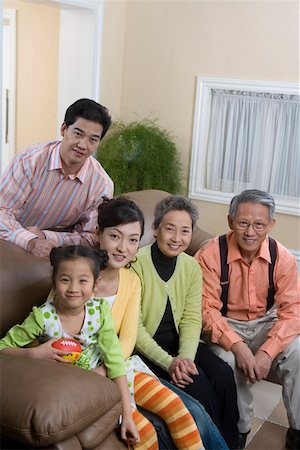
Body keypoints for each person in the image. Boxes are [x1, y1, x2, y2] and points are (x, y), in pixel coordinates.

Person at [0, 245, 139, 447]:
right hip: (67, 388)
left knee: (144, 426)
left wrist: (127, 415)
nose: (74, 288)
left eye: (83, 281)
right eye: (65, 280)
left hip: (101, 378)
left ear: (95, 284)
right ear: (54, 283)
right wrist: (36, 353)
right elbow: (3, 347)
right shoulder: (42, 317)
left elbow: (115, 360)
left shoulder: (99, 312)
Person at [94, 196, 204, 450]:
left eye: (133, 240)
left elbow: (129, 335)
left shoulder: (130, 281)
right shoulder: (81, 275)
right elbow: (54, 328)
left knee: (179, 407)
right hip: (94, 371)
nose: (123, 247)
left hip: (121, 366)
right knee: (144, 432)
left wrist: (111, 368)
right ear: (98, 233)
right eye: (115, 237)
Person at [131, 195, 240, 449]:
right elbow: (135, 330)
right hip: (148, 350)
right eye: (169, 229)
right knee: (198, 383)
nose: (177, 237)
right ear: (156, 229)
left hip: (182, 344)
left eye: (185, 231)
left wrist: (186, 358)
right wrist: (171, 364)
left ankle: (232, 443)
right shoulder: (137, 263)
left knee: (223, 374)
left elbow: (192, 319)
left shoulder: (191, 266)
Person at [195, 189, 300, 450]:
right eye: (243, 223)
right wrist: (238, 346)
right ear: (231, 221)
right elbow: (205, 310)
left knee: (298, 353)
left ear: (271, 225)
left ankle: (298, 430)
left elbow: (293, 310)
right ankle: (239, 429)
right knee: (229, 361)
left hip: (266, 322)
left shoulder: (282, 257)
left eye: (258, 225)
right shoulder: (210, 254)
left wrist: (267, 351)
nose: (250, 232)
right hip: (225, 323)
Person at [0, 98, 113, 258]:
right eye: (78, 134)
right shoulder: (28, 161)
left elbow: (92, 237)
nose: (82, 145)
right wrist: (30, 241)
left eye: (92, 140)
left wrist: (47, 237)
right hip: (7, 241)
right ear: (63, 129)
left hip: (51, 252)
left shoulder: (101, 185)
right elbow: (2, 212)